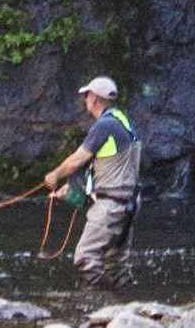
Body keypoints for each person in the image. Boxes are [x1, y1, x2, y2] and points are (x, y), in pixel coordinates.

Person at [42, 75, 140, 285]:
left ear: (94, 98)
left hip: (111, 206)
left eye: (87, 96)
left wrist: (54, 176)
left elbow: (76, 161)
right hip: (128, 204)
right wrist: (74, 189)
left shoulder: (104, 126)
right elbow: (111, 167)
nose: (85, 100)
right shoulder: (123, 121)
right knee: (115, 265)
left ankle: (103, 303)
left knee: (85, 257)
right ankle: (127, 308)